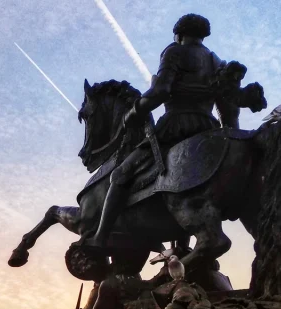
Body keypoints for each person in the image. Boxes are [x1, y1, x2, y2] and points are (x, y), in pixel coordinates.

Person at [89, 13, 254, 248]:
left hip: (175, 126)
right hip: (208, 129)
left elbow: (161, 91)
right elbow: (230, 112)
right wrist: (229, 136)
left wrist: (132, 113)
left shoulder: (174, 51)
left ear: (178, 33)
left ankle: (100, 237)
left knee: (120, 174)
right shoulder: (218, 62)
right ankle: (183, 246)